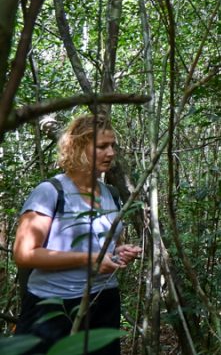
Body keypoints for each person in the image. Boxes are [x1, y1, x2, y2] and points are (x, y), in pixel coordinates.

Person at [13, 114, 142, 355]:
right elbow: (24, 255)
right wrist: (89, 258)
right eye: (103, 146)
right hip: (53, 307)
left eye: (113, 145)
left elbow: (104, 246)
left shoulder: (111, 193)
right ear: (79, 147)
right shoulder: (50, 192)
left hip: (103, 302)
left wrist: (118, 253)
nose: (111, 153)